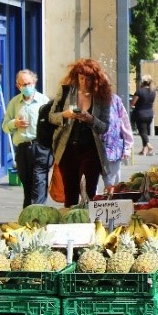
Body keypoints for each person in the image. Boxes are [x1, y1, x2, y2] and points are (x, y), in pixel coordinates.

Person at [49, 59, 112, 208]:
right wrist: (65, 114)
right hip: (67, 149)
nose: (84, 82)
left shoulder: (101, 97)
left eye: (88, 78)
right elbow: (52, 117)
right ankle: (70, 224)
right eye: (81, 78)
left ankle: (89, 223)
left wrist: (91, 119)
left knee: (88, 192)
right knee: (70, 193)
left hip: (90, 150)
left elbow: (104, 127)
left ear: (95, 79)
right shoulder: (66, 91)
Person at [1, 69, 52, 208]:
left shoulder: (44, 101)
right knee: (28, 186)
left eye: (29, 83)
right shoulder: (14, 103)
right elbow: (5, 126)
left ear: (34, 82)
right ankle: (28, 216)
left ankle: (38, 214)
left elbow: (51, 124)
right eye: (23, 85)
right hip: (23, 148)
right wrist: (15, 123)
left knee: (39, 182)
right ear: (18, 86)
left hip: (41, 147)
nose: (26, 87)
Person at [102, 92, 134, 191]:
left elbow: (125, 123)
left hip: (113, 148)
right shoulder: (85, 97)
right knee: (90, 183)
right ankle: (90, 204)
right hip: (91, 147)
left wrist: (127, 147)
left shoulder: (115, 99)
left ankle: (112, 203)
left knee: (113, 184)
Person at [131, 74, 157, 156]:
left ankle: (149, 145)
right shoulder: (153, 91)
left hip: (140, 113)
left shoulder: (139, 91)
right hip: (150, 114)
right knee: (145, 131)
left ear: (142, 82)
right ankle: (144, 150)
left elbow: (132, 103)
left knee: (143, 132)